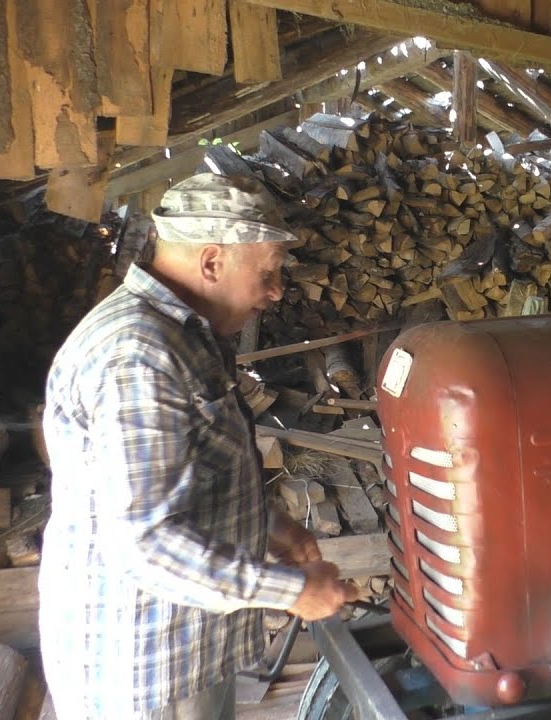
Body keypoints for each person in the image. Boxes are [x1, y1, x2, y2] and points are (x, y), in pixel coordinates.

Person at [39, 173, 358, 719]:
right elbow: (146, 544)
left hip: (182, 649)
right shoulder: (138, 354)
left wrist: (271, 527)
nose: (276, 291)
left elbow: (188, 471)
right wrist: (291, 592)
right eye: (268, 272)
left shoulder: (186, 335)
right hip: (141, 669)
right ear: (212, 262)